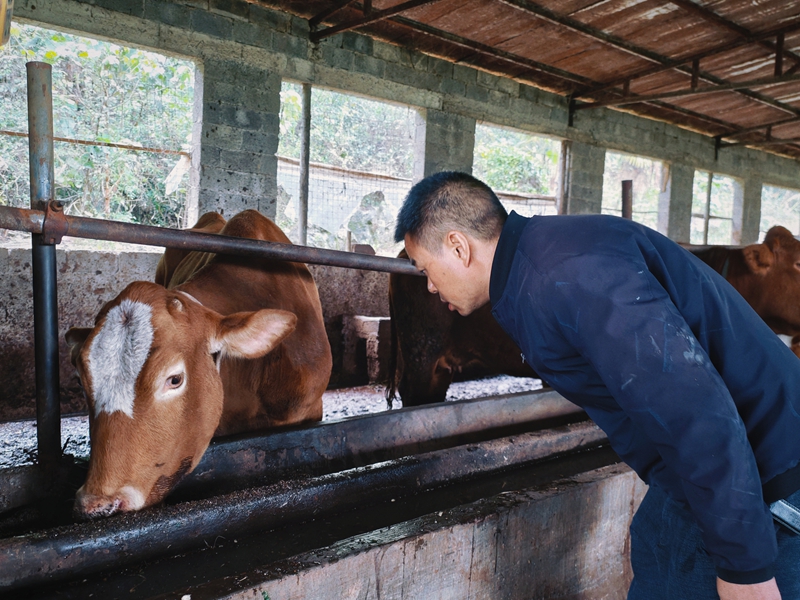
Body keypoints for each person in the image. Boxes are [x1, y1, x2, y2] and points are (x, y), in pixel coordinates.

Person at [394, 171, 800, 600]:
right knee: (654, 543)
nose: (431, 286)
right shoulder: (536, 269)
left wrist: (745, 568)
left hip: (765, 481)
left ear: (458, 246)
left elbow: (693, 408)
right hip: (707, 474)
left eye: (426, 269)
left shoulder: (572, 274)